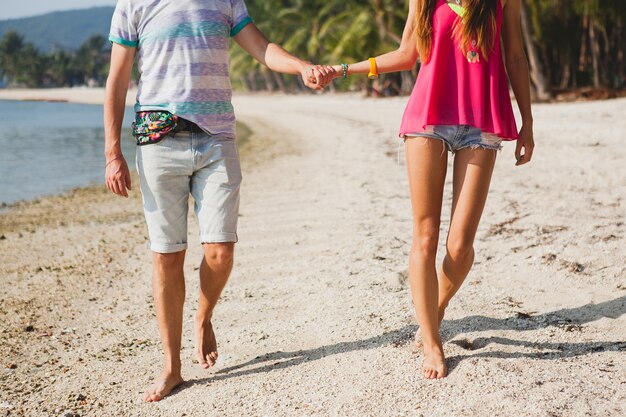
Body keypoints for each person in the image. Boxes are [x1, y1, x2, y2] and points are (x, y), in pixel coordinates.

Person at [104, 0, 335, 402]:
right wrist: (112, 153)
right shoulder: (134, 3)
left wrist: (301, 66)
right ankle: (172, 367)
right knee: (166, 254)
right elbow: (118, 78)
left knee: (221, 251)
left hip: (217, 138)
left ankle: (203, 315)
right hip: (158, 139)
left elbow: (261, 47)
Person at [331, 0, 534, 379]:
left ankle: (434, 309)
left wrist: (528, 122)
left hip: (482, 122)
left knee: (460, 245)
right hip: (428, 120)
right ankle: (431, 341)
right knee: (425, 236)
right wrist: (344, 69)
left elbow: (517, 57)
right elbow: (407, 55)